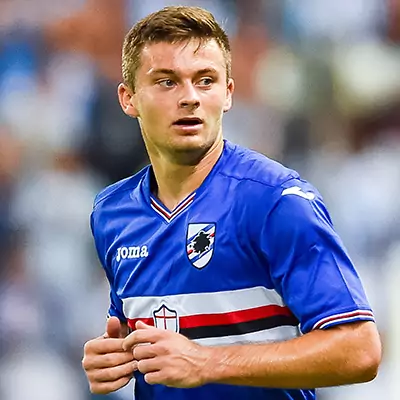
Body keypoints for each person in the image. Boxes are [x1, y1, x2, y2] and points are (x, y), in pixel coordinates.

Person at [82, 5, 382, 400]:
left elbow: (359, 349)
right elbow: (152, 334)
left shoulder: (275, 200)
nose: (190, 98)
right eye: (167, 82)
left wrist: (207, 363)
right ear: (128, 98)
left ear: (227, 94)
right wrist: (115, 357)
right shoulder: (112, 213)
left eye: (205, 81)